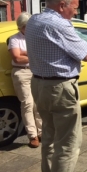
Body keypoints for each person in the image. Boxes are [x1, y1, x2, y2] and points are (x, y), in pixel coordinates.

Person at [26, 0, 87, 172]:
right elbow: (86, 55)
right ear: (62, 5)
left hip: (38, 84)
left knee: (48, 136)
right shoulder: (60, 24)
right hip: (60, 87)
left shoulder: (33, 20)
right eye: (75, 7)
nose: (76, 12)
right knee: (68, 143)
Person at [8, 11, 42, 148]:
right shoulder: (14, 39)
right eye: (26, 26)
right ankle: (32, 135)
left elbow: (42, 53)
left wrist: (24, 53)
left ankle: (42, 132)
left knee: (38, 104)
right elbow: (17, 58)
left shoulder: (36, 37)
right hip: (22, 73)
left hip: (36, 72)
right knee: (27, 104)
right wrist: (33, 55)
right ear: (21, 26)